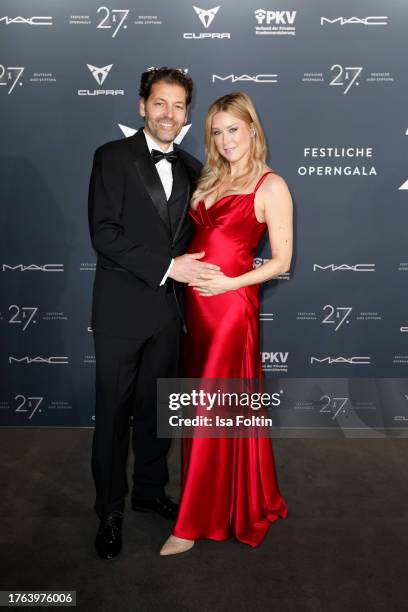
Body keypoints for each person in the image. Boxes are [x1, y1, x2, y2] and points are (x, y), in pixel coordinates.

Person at [88, 67, 220, 560]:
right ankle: (110, 512)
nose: (170, 114)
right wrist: (169, 266)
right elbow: (104, 234)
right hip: (121, 313)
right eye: (160, 103)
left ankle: (148, 491)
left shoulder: (192, 166)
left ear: (188, 113)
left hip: (169, 315)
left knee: (157, 415)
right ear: (142, 105)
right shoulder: (112, 157)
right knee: (114, 419)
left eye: (180, 106)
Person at [160, 92, 293, 556]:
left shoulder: (270, 185)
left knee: (211, 411)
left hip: (230, 310)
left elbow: (281, 261)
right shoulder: (209, 177)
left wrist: (232, 282)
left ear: (252, 129)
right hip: (194, 310)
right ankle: (225, 498)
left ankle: (191, 523)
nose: (225, 139)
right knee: (200, 408)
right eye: (216, 131)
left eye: (233, 129)